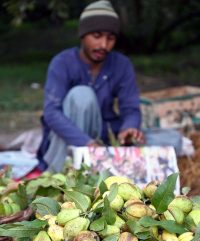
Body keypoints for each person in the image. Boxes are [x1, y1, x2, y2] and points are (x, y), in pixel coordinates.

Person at [37, 0, 182, 173]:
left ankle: (105, 161)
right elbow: (52, 113)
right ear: (83, 35)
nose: (103, 45)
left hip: (106, 137)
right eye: (97, 36)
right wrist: (87, 143)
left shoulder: (121, 64)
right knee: (82, 95)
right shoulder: (62, 63)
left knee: (173, 140)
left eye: (110, 38)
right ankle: (73, 169)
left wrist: (129, 128)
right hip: (71, 140)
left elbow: (130, 107)